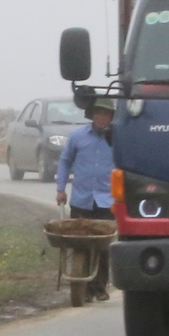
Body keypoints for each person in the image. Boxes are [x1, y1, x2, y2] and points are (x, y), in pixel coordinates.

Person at [54, 100, 116, 299]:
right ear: (91, 115)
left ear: (111, 117)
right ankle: (83, 285)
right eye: (98, 113)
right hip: (81, 199)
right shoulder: (78, 136)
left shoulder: (118, 138)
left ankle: (99, 287)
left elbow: (127, 164)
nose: (101, 117)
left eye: (105, 114)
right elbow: (65, 161)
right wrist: (61, 189)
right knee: (80, 245)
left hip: (107, 201)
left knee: (103, 247)